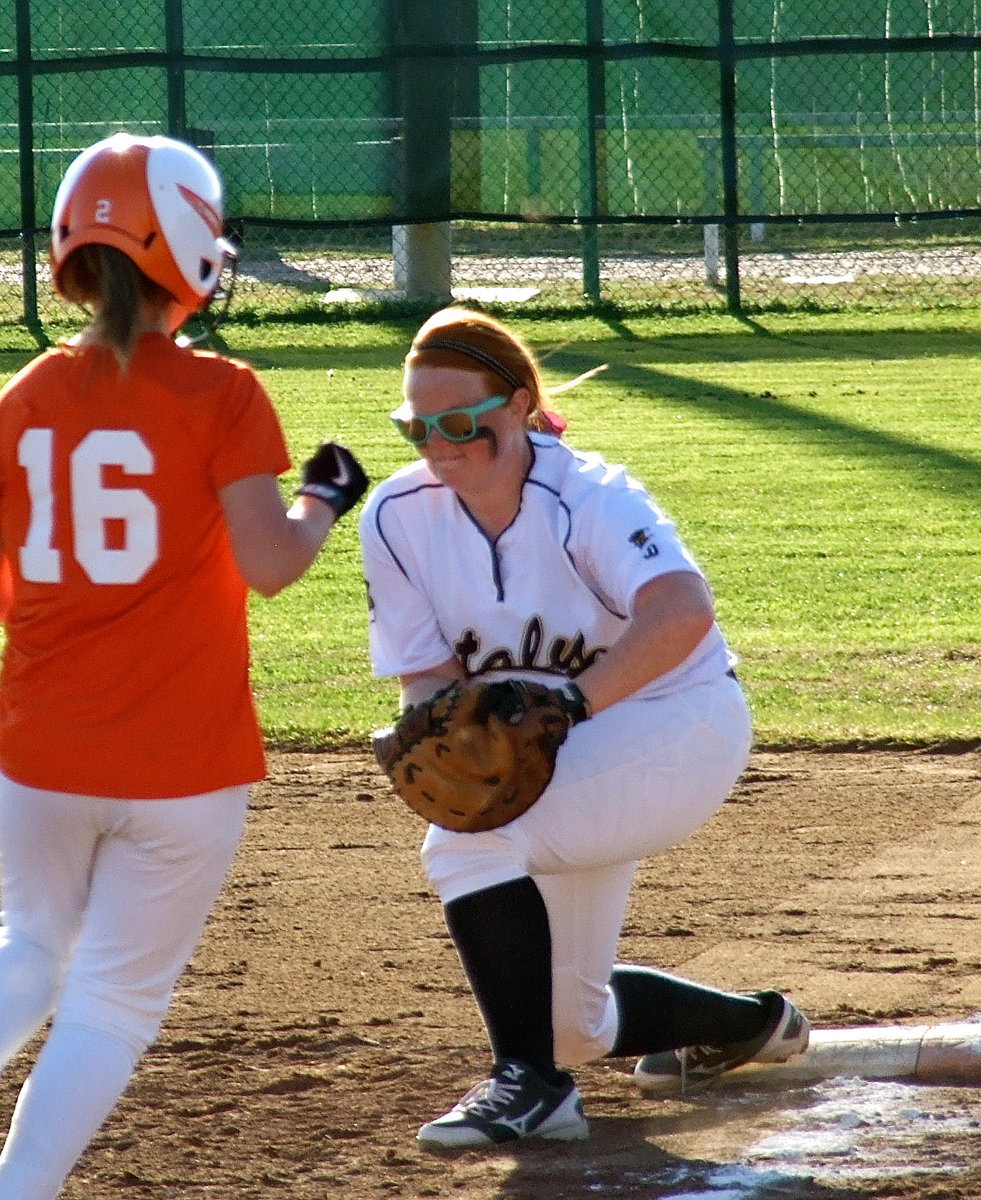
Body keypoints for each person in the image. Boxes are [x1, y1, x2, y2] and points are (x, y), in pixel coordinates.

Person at [0, 132, 368, 1199]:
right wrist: (325, 499)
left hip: (39, 747)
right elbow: (272, 565)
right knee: (113, 1002)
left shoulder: (23, 396)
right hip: (183, 760)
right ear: (190, 251)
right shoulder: (223, 392)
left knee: (30, 949)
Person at [358, 307, 809, 1151]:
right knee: (569, 1023)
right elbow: (429, 672)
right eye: (416, 426)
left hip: (676, 725)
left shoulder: (591, 495)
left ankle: (529, 1087)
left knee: (465, 842)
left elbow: (681, 611)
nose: (438, 445)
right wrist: (437, 727)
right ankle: (753, 1025)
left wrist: (572, 704)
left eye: (459, 422)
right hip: (557, 755)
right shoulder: (395, 516)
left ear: (518, 406)